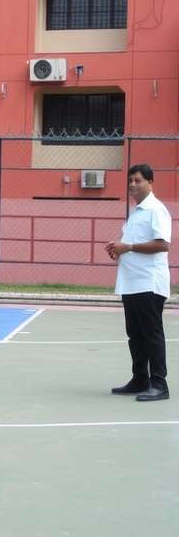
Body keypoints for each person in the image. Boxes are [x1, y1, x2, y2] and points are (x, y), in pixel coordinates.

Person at [105, 163, 171, 402]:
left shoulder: (156, 209)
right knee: (135, 335)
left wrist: (129, 247)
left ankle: (159, 385)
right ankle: (140, 379)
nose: (132, 184)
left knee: (151, 334)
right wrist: (119, 249)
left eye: (138, 180)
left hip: (148, 283)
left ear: (150, 183)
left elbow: (163, 244)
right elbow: (131, 245)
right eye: (130, 180)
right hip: (131, 283)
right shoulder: (136, 212)